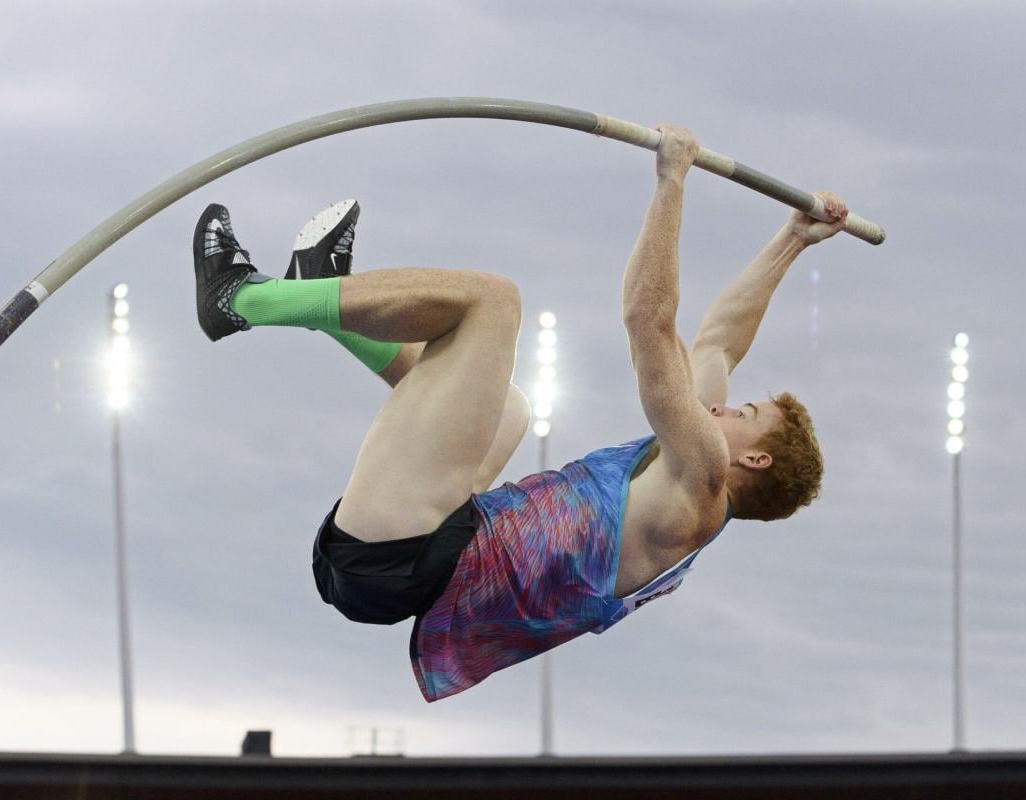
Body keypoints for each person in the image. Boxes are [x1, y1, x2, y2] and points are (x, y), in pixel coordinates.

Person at [191, 124, 849, 702]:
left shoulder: (699, 476)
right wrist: (793, 240)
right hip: (417, 556)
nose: (730, 406)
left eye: (748, 413)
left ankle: (242, 298)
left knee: (492, 303)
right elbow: (717, 343)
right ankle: (322, 296)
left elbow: (649, 320)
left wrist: (671, 178)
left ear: (753, 458)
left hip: (399, 557)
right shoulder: (693, 471)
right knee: (509, 408)